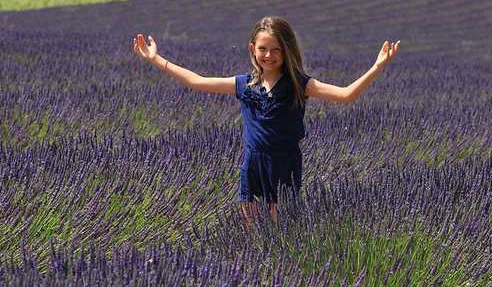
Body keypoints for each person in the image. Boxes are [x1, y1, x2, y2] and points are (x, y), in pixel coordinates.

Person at [132, 16, 399, 230]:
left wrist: (377, 67)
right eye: (262, 49)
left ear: (287, 51)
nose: (268, 55)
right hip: (253, 163)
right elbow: (196, 81)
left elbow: (346, 95)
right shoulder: (245, 85)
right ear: (252, 49)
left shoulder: (299, 85)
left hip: (285, 164)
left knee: (281, 227)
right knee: (251, 227)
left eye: (276, 50)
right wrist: (155, 58)